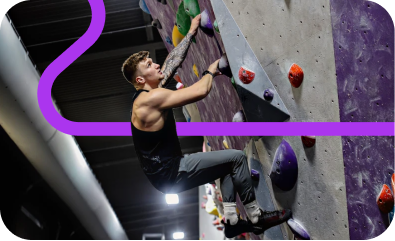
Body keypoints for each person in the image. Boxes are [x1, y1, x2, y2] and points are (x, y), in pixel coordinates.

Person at [121, 14, 291, 238]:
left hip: (165, 174)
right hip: (171, 172)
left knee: (228, 165)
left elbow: (172, 61)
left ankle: (232, 222)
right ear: (140, 80)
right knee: (237, 158)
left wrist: (191, 31)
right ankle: (257, 218)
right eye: (149, 65)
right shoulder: (148, 100)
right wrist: (211, 71)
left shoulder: (148, 93)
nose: (156, 65)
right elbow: (201, 91)